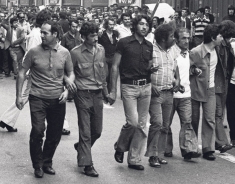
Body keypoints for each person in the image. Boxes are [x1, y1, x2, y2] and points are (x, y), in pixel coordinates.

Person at [15, 20, 76, 178]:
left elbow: (71, 73)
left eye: (45, 33)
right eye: (41, 32)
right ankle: (37, 165)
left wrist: (67, 91)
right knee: (37, 130)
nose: (41, 35)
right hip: (37, 97)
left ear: (55, 34)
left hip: (58, 99)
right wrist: (19, 96)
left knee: (55, 133)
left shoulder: (64, 53)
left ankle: (47, 161)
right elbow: (22, 73)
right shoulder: (33, 52)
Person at [71, 22, 115, 177]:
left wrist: (107, 93)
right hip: (82, 93)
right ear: (83, 37)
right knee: (85, 131)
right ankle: (87, 164)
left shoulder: (101, 50)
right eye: (92, 36)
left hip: (97, 94)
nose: (96, 38)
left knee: (97, 130)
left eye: (96, 35)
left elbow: (102, 74)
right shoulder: (75, 53)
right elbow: (69, 73)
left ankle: (81, 147)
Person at [112, 15, 155, 171]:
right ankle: (120, 146)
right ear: (135, 25)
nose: (144, 27)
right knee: (133, 123)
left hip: (146, 87)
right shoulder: (124, 43)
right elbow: (115, 66)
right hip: (129, 87)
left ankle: (134, 159)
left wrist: (151, 69)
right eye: (141, 24)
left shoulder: (150, 45)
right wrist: (113, 90)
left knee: (142, 125)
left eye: (147, 25)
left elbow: (149, 66)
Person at [164, 27, 200, 160]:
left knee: (187, 122)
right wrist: (175, 82)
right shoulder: (170, 53)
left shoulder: (189, 53)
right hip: (170, 94)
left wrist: (195, 70)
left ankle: (188, 150)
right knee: (166, 123)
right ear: (176, 40)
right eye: (183, 38)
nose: (187, 40)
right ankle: (166, 149)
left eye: (188, 38)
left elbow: (190, 66)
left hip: (186, 95)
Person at [189, 24, 224, 161]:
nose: (222, 38)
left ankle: (207, 149)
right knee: (194, 120)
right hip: (196, 89)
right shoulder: (196, 52)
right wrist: (194, 70)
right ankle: (191, 148)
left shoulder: (219, 49)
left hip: (211, 89)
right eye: (220, 36)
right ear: (213, 37)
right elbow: (187, 67)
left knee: (209, 119)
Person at [145, 24, 177, 168]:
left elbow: (173, 70)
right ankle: (152, 155)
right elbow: (143, 70)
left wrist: (177, 81)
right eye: (171, 36)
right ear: (163, 38)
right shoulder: (150, 50)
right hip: (155, 93)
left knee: (165, 125)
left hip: (169, 92)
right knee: (156, 123)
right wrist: (151, 85)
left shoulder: (172, 51)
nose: (174, 38)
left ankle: (160, 154)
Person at [215, 20, 235, 153]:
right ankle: (221, 142)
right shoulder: (220, 45)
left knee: (219, 113)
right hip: (218, 82)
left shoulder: (228, 45)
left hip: (224, 82)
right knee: (218, 113)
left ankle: (217, 141)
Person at [98, 18, 119, 92]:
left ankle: (110, 92)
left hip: (113, 56)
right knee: (105, 75)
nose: (112, 26)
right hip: (104, 56)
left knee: (112, 75)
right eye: (110, 24)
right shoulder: (102, 34)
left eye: (113, 24)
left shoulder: (116, 33)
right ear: (107, 25)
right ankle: (104, 92)